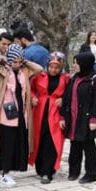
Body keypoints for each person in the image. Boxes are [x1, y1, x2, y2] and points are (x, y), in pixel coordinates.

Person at [0, 44, 43, 186]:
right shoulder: (3, 71)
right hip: (6, 114)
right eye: (14, 61)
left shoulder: (25, 71)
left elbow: (39, 69)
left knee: (17, 142)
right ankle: (4, 172)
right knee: (6, 143)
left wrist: (25, 61)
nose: (17, 64)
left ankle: (10, 169)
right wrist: (3, 58)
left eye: (19, 61)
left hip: (22, 114)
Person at [61, 51, 96, 184]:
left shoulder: (95, 80)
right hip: (73, 118)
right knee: (74, 144)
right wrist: (63, 116)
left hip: (86, 118)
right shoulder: (74, 78)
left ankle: (92, 173)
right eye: (74, 63)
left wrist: (94, 119)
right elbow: (66, 98)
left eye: (77, 63)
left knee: (88, 144)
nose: (74, 65)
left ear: (85, 64)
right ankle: (73, 171)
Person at [29, 52, 69, 184]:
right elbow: (30, 89)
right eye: (51, 66)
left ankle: (48, 171)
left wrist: (63, 99)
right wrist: (33, 97)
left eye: (57, 67)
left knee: (52, 141)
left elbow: (71, 93)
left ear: (61, 67)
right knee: (39, 139)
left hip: (55, 113)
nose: (54, 70)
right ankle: (40, 168)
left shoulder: (65, 79)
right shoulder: (39, 76)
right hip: (39, 112)